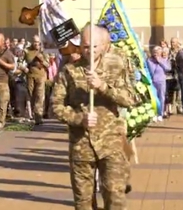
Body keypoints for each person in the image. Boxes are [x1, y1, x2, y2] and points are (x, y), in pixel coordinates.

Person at [51, 23, 136, 210]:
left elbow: (131, 98)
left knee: (114, 195)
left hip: (111, 143)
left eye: (94, 46)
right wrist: (78, 119)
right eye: (85, 46)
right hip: (81, 145)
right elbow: (55, 106)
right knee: (83, 201)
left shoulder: (116, 66)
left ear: (105, 45)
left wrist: (103, 87)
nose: (89, 50)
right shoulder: (69, 71)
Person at [23, 35, 49, 125]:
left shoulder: (43, 51)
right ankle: (32, 114)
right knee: (31, 95)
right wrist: (23, 68)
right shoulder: (27, 51)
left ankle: (38, 116)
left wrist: (42, 60)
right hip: (30, 76)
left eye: (37, 42)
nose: (36, 44)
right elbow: (20, 61)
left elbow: (48, 64)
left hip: (41, 76)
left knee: (39, 96)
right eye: (34, 42)